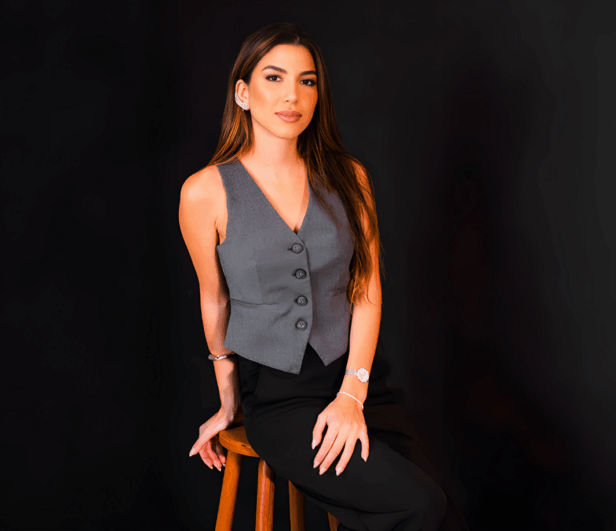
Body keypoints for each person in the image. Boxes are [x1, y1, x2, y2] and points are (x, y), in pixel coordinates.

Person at [179, 23, 462, 530]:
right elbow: (214, 299)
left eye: (307, 81)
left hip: (358, 379)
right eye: (274, 77)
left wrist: (352, 393)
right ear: (242, 93)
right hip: (279, 398)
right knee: (419, 506)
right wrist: (229, 399)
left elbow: (365, 289)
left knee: (445, 501)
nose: (292, 95)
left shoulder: (350, 177)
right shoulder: (205, 192)